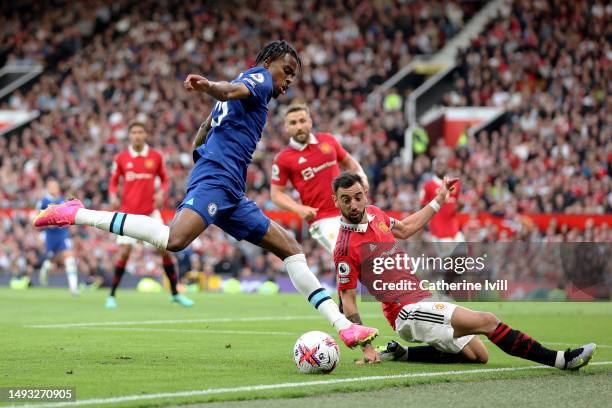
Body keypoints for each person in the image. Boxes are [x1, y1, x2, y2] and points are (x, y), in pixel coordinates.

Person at [33, 40, 377, 348]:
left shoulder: (249, 91)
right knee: (174, 239)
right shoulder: (257, 79)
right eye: (286, 71)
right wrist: (210, 86)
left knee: (290, 248)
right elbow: (227, 92)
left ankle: (344, 326)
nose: (288, 80)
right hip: (217, 178)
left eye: (292, 76)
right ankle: (78, 213)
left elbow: (202, 132)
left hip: (231, 190)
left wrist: (206, 137)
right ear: (269, 62)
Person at [331, 172, 595, 368]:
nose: (354, 205)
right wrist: (366, 347)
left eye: (357, 197)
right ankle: (560, 360)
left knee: (478, 356)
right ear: (336, 201)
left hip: (424, 297)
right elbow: (349, 303)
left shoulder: (376, 213)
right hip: (405, 311)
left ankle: (401, 352)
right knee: (487, 320)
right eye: (346, 200)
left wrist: (437, 201)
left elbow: (406, 228)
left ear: (365, 193)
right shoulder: (344, 247)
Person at [105, 121, 193, 309]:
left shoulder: (156, 156)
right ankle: (111, 295)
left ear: (145, 135)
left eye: (140, 132)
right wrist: (112, 194)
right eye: (134, 132)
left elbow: (165, 180)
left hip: (150, 212)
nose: (137, 135)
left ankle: (175, 293)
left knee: (166, 250)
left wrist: (162, 192)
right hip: (127, 212)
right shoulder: (121, 158)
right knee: (124, 253)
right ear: (129, 136)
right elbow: (113, 182)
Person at [271, 103, 367, 253]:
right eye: (293, 123)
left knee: (372, 255)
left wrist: (361, 175)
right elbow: (276, 194)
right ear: (286, 127)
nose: (299, 126)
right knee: (347, 253)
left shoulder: (328, 140)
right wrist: (298, 208)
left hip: (350, 210)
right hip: (322, 219)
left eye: (302, 121)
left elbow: (349, 162)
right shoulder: (283, 159)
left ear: (310, 122)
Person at [37, 179, 79, 295]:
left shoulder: (62, 200)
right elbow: (40, 218)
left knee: (69, 258)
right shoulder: (45, 202)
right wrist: (49, 223)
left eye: (55, 186)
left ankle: (73, 288)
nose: (54, 188)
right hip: (50, 236)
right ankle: (45, 268)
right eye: (52, 186)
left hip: (62, 234)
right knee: (53, 260)